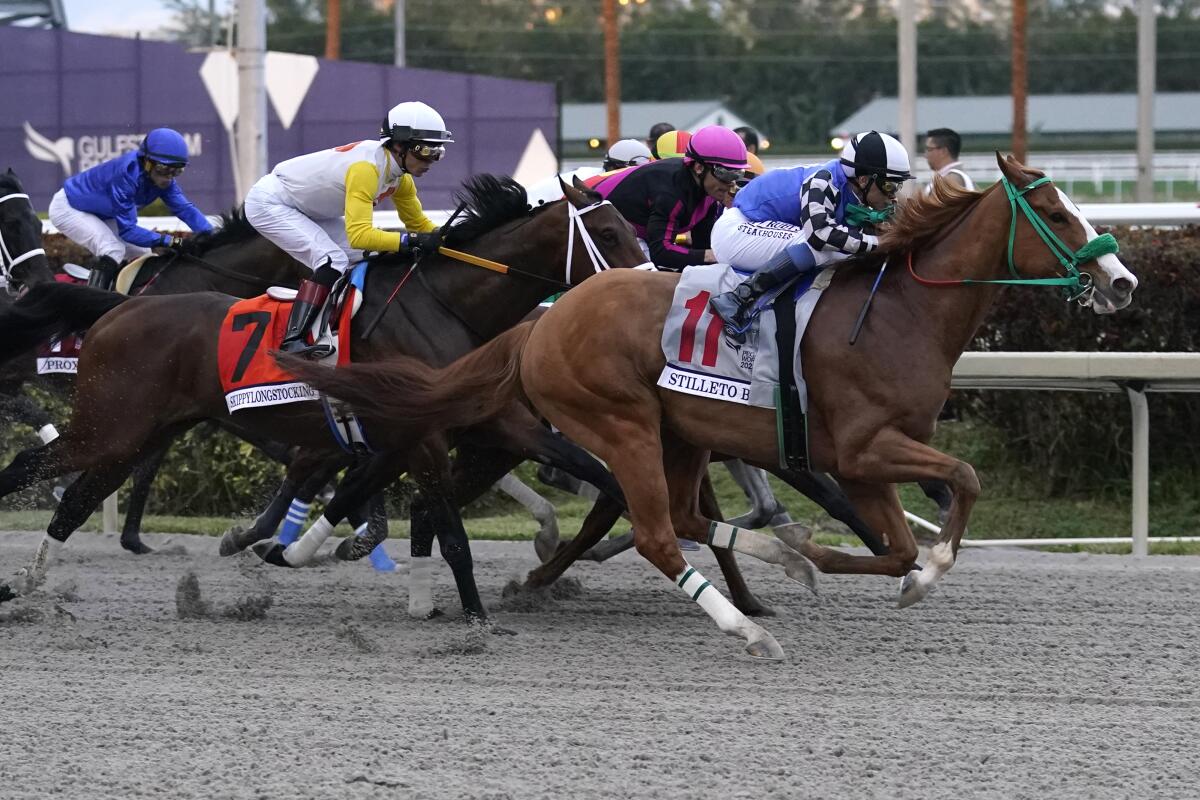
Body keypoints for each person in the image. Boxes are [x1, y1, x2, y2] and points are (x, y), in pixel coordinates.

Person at [244, 101, 450, 358]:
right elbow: (360, 235)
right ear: (398, 145)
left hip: (308, 209)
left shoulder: (401, 179)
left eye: (438, 152)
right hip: (270, 203)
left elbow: (419, 225)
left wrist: (450, 238)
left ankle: (336, 324)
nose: (431, 160)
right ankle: (293, 340)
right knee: (332, 260)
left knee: (370, 255)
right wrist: (411, 241)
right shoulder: (366, 170)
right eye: (425, 151)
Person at [708, 130, 913, 337]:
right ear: (862, 180)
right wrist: (878, 243)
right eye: (889, 185)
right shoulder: (824, 181)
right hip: (737, 229)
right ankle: (737, 298)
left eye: (898, 185)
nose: (893, 195)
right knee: (821, 247)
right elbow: (820, 235)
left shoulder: (852, 189)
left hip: (760, 227)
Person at [47, 128, 212, 291]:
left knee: (142, 253)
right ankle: (95, 303)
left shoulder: (163, 181)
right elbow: (128, 231)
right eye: (163, 169)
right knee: (112, 249)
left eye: (177, 170)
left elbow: (185, 210)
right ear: (146, 161)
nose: (168, 177)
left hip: (101, 212)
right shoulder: (126, 175)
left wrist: (215, 236)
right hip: (68, 207)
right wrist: (172, 241)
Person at [589, 125, 748, 271]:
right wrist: (714, 256)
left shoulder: (708, 190)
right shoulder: (671, 191)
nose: (731, 184)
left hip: (626, 232)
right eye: (725, 174)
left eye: (737, 174)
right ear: (699, 167)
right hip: (590, 224)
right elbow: (661, 252)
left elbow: (703, 245)